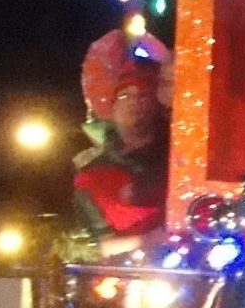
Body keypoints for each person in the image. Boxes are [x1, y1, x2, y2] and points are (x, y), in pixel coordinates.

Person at [74, 28, 172, 237]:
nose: (134, 102)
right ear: (111, 106)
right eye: (124, 95)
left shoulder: (176, 153)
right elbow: (100, 242)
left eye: (143, 95)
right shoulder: (92, 174)